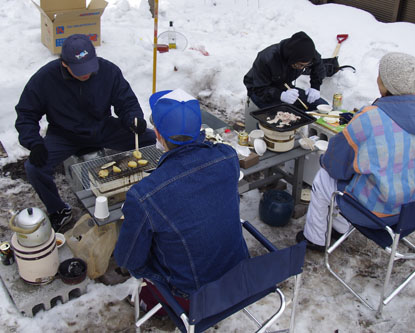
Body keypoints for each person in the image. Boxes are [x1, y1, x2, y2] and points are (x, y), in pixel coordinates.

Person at [114, 89, 249, 312]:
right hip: (238, 275)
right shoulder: (227, 156)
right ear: (199, 129)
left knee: (140, 248)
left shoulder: (145, 194)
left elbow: (128, 259)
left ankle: (154, 300)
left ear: (157, 134)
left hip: (192, 295)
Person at [15, 34, 156, 231]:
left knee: (149, 138)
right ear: (64, 64)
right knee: (34, 168)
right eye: (79, 71)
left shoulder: (108, 70)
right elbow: (26, 114)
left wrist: (134, 118)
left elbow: (127, 102)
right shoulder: (45, 79)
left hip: (102, 126)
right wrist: (34, 142)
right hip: (64, 134)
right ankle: (58, 210)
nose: (86, 74)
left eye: (89, 68)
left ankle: (149, 187)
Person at [296, 52, 415, 251]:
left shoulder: (371, 117)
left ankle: (315, 239)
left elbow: (336, 163)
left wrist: (328, 159)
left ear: (385, 83)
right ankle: (339, 226)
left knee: (325, 177)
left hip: (374, 211)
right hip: (408, 207)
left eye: (380, 75)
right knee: (365, 171)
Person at [243, 31, 328, 131]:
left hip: (285, 86)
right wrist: (281, 95)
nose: (302, 68)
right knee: (280, 121)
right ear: (291, 58)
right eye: (300, 65)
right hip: (261, 91)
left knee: (321, 106)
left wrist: (315, 87)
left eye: (306, 66)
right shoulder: (267, 58)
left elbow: (318, 65)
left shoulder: (308, 52)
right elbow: (259, 89)